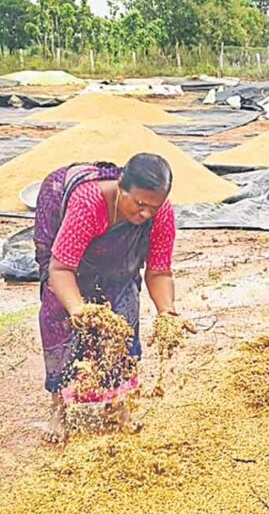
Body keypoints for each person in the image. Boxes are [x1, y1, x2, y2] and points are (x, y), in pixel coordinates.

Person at [35, 153, 179, 442]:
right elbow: (61, 268)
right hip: (63, 245)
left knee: (124, 311)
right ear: (121, 187)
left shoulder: (160, 212)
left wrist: (167, 312)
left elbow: (159, 271)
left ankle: (117, 406)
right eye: (140, 205)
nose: (146, 215)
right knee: (61, 314)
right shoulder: (89, 203)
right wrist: (78, 308)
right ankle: (59, 408)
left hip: (117, 264)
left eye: (154, 207)